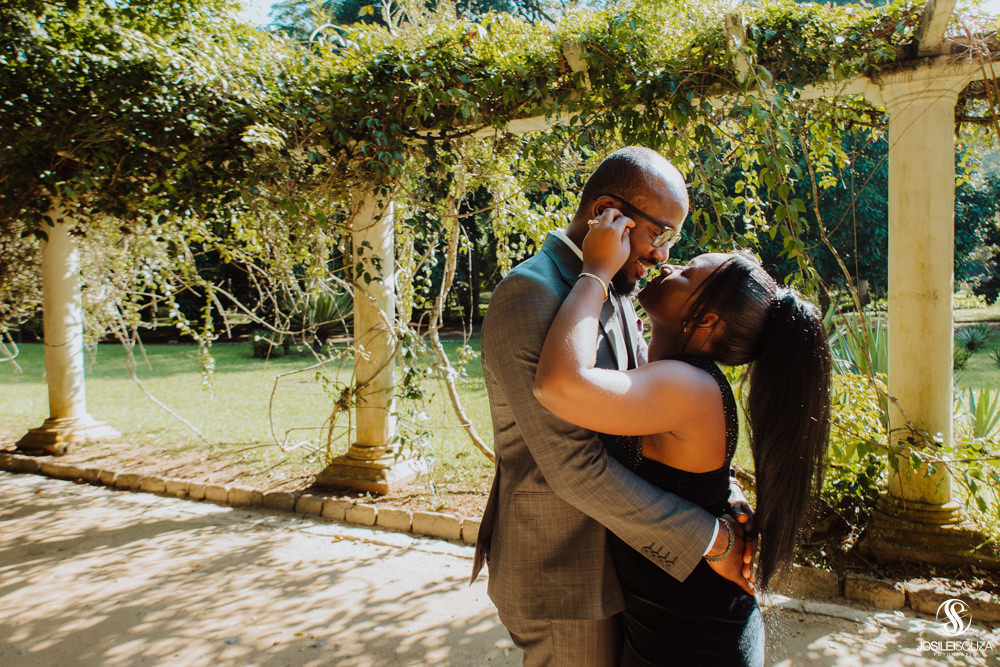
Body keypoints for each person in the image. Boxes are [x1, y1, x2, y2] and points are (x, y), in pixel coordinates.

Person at [471, 147, 754, 666]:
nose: (664, 256)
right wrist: (712, 541)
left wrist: (723, 493)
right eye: (659, 234)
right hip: (565, 574)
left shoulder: (613, 283)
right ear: (608, 211)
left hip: (621, 561)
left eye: (673, 240)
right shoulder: (532, 293)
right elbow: (575, 467)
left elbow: (648, 421)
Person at [533, 212, 833, 665]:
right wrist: (729, 497)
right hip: (675, 630)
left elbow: (557, 386)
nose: (668, 264)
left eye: (687, 273)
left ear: (706, 318)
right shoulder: (678, 379)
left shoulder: (686, 386)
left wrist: (596, 271)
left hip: (692, 644)